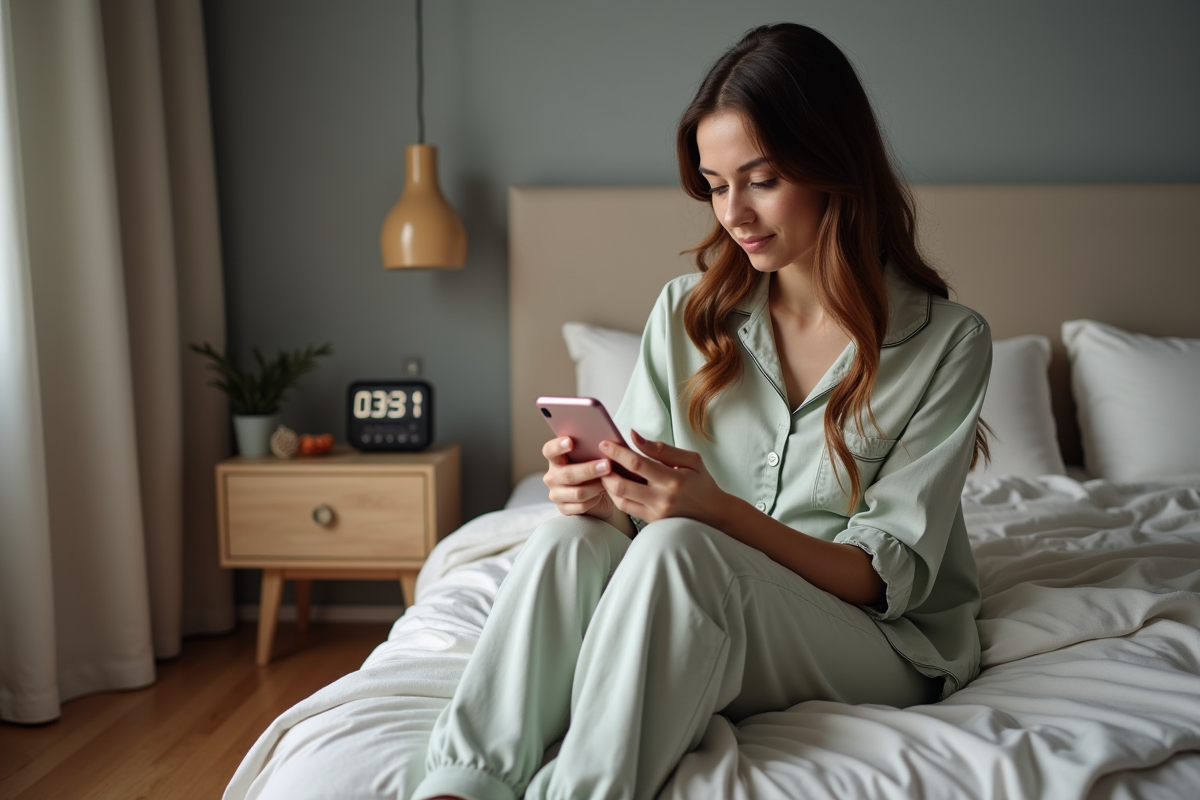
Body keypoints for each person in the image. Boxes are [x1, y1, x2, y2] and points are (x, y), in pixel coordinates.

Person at [413, 22, 990, 800]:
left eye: (761, 179)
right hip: (697, 603)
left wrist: (715, 513)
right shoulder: (686, 312)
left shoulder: (948, 341)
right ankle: (460, 787)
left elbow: (881, 581)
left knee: (681, 548)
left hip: (871, 640)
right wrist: (598, 492)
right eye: (716, 186)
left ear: (832, 166)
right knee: (569, 543)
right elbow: (637, 510)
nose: (735, 215)